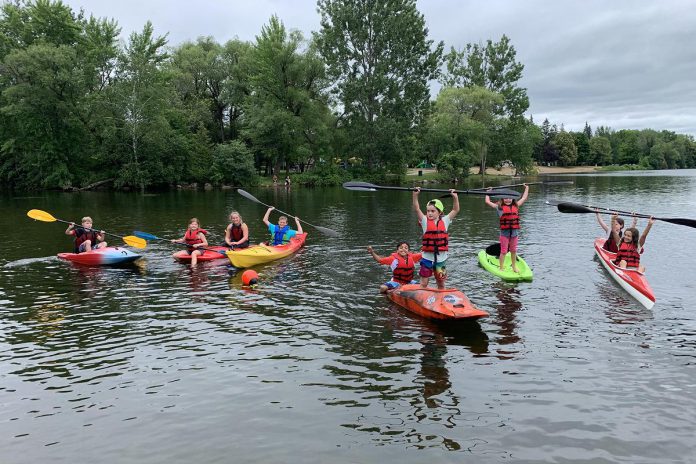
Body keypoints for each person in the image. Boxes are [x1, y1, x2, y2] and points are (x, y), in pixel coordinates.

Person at [413, 187, 459, 289]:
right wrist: (415, 195)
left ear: (440, 212)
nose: (429, 213)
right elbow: (416, 208)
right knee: (424, 283)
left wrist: (455, 197)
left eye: (432, 211)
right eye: (428, 211)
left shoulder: (446, 220)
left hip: (441, 259)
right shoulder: (424, 221)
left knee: (441, 283)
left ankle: (441, 299)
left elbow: (455, 209)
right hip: (427, 259)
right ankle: (422, 298)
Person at [484, 184, 530, 273]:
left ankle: (514, 266)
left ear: (513, 199)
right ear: (502, 199)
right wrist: (488, 192)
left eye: (509, 198)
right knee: (504, 251)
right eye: (505, 198)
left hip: (514, 233)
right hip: (504, 234)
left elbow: (524, 198)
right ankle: (501, 267)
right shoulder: (499, 208)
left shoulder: (516, 206)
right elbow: (487, 201)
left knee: (513, 250)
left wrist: (527, 188)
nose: (508, 199)